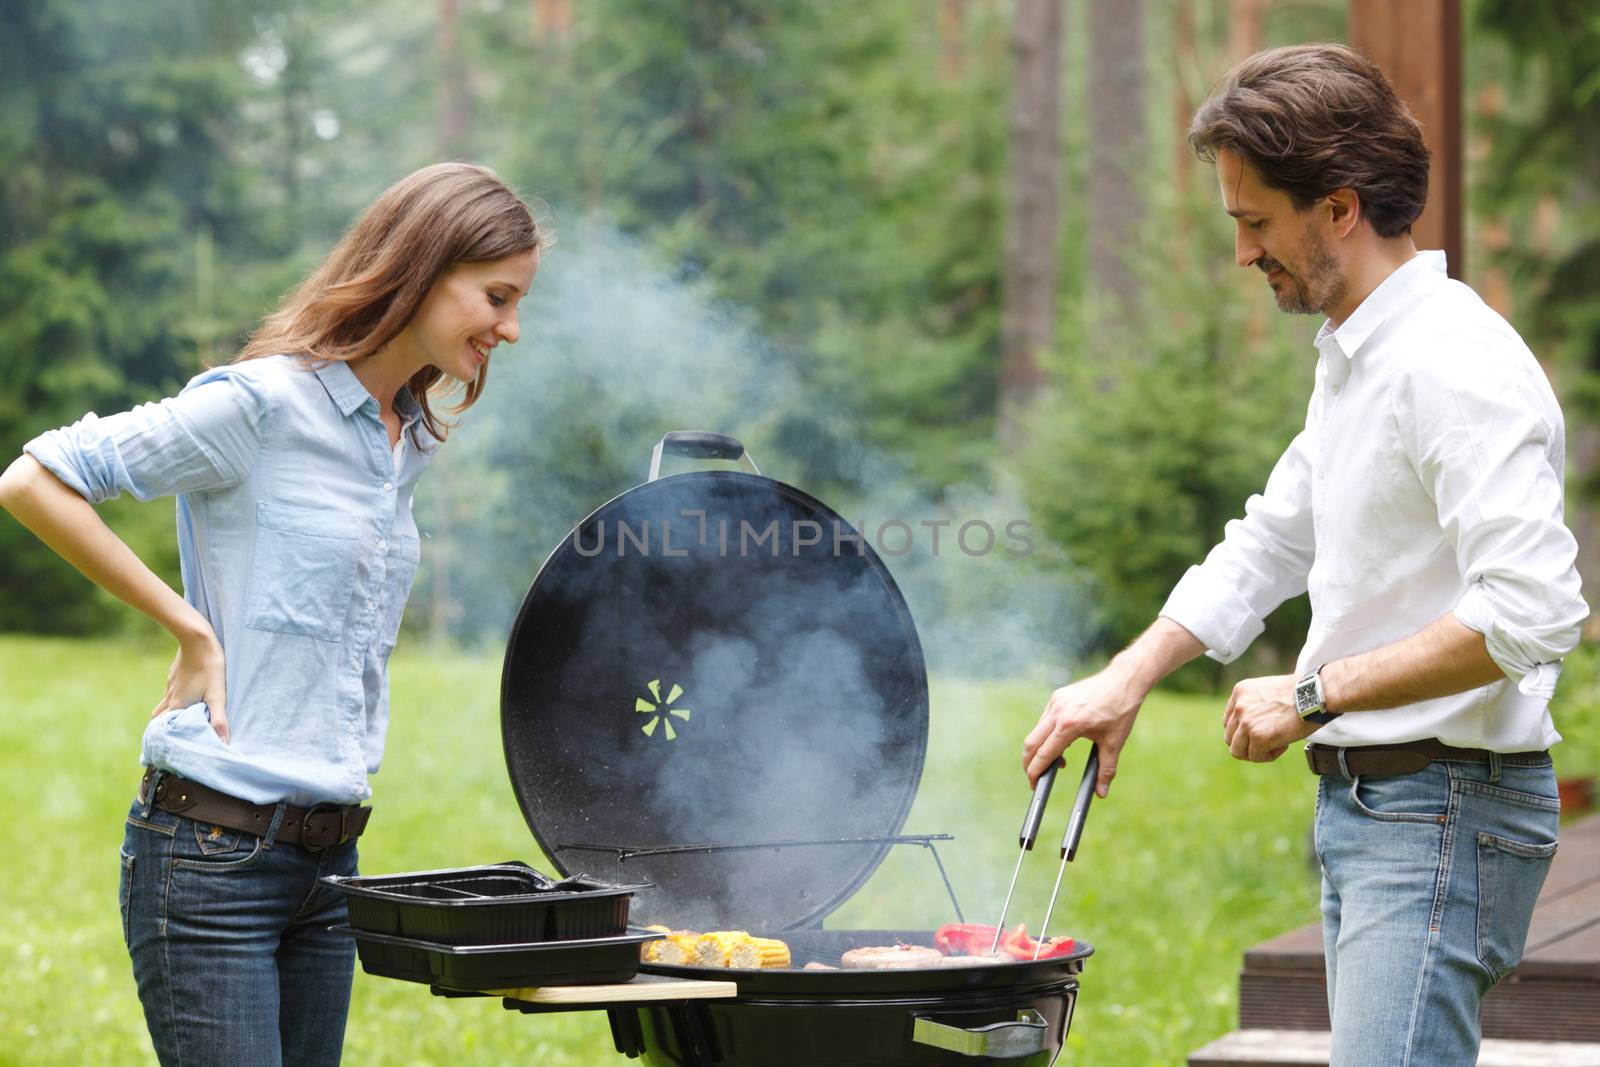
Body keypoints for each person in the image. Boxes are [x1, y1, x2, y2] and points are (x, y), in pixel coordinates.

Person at [1022, 44, 1586, 1065]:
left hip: (1443, 804)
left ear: (1338, 207)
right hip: (1383, 806)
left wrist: (1314, 693)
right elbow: (1272, 536)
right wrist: (1128, 674)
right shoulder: (1360, 355)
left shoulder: (1450, 365)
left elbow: (1532, 610)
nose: (1243, 254)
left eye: (1254, 222)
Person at [0, 161, 543, 1066]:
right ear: (425, 264)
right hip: (210, 858)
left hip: (329, 868)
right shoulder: (257, 404)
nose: (511, 327)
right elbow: (34, 479)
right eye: (496, 295)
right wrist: (189, 624)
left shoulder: (401, 441)